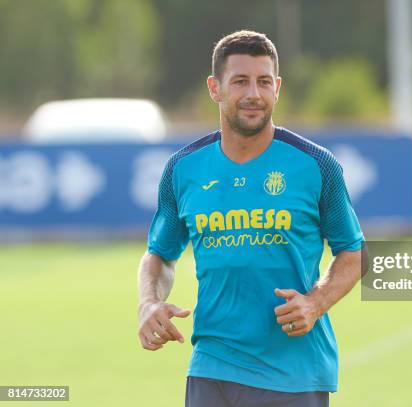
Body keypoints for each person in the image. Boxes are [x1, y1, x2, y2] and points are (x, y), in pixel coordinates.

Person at [138, 30, 364, 407]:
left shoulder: (317, 165)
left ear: (277, 87)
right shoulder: (183, 169)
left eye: (263, 82)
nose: (253, 94)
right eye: (240, 81)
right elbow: (159, 254)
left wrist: (315, 302)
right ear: (215, 88)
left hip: (295, 374)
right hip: (212, 370)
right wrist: (149, 303)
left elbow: (354, 252)